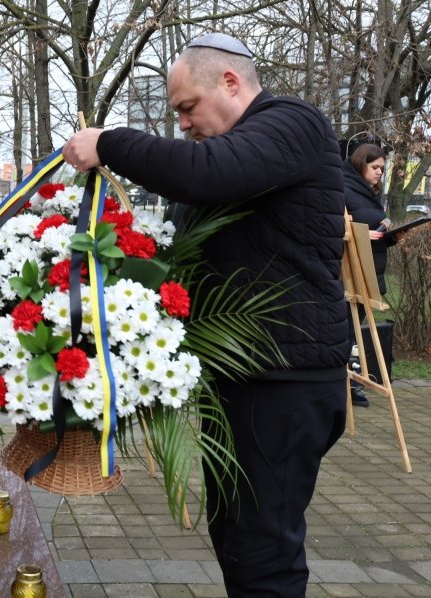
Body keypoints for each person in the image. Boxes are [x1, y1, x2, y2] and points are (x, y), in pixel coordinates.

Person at [63, 32, 350, 597]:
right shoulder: (244, 149)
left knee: (264, 555)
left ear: (230, 82)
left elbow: (207, 172)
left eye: (187, 108)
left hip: (284, 379)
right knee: (241, 540)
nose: (184, 125)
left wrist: (109, 143)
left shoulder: (292, 123)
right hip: (245, 376)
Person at [342, 143, 399, 407]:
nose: (379, 173)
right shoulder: (343, 187)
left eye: (382, 169)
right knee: (343, 330)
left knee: (353, 331)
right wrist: (360, 233)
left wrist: (389, 235)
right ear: (361, 163)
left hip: (372, 270)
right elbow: (334, 225)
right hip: (351, 272)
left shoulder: (370, 193)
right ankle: (344, 382)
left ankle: (349, 381)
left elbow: (374, 227)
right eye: (375, 167)